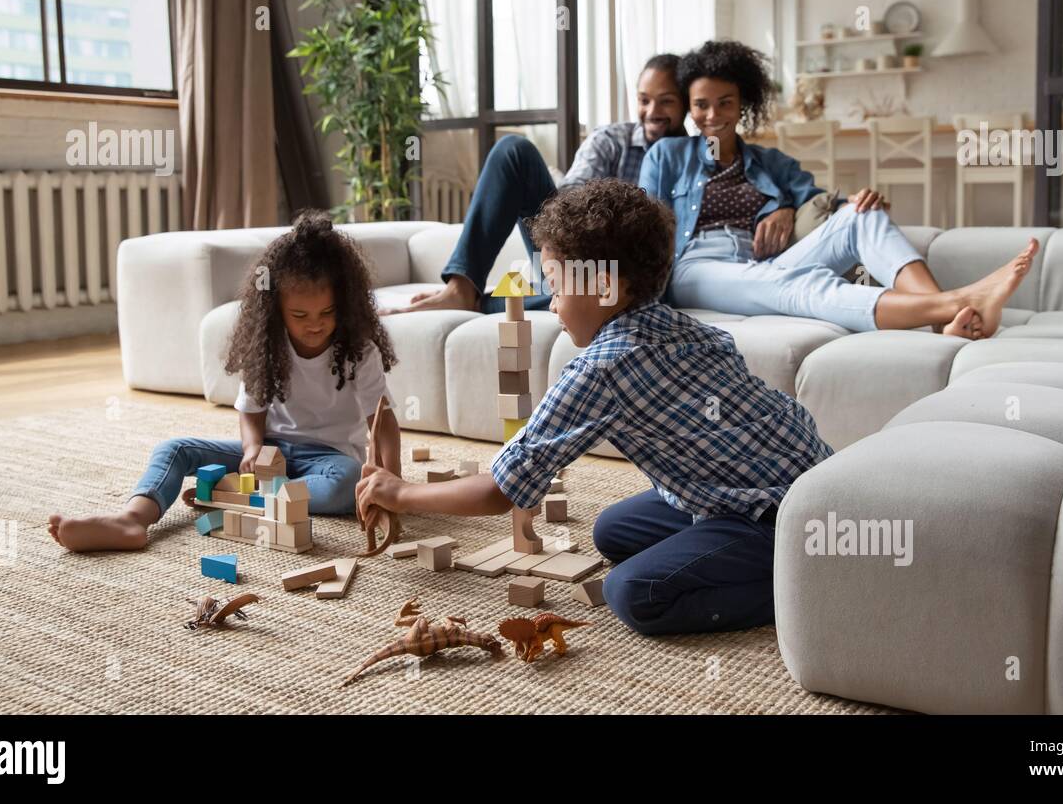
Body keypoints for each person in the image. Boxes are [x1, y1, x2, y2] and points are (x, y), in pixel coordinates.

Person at [355, 179, 833, 635]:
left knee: (634, 594)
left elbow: (503, 491)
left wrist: (400, 495)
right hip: (787, 476)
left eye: (558, 288)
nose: (552, 306)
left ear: (608, 288)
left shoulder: (602, 369)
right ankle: (745, 549)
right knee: (612, 531)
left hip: (782, 515)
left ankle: (800, 582)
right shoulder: (679, 325)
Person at [48, 212, 402, 552]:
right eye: (299, 315)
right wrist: (251, 449)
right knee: (174, 450)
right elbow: (251, 412)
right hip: (268, 451)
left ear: (346, 304)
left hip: (328, 460)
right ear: (275, 309)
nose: (315, 324)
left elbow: (382, 420)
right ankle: (132, 519)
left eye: (327, 312)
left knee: (347, 482)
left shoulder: (359, 352)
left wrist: (393, 482)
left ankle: (231, 495)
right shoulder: (267, 345)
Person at [640, 41, 1038, 337]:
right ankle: (956, 303)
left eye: (725, 103)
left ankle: (942, 322)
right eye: (701, 105)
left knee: (861, 215)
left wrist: (828, 205)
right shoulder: (667, 156)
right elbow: (644, 231)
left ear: (743, 105)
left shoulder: (768, 162)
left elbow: (822, 202)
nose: (713, 115)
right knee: (798, 286)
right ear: (690, 108)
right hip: (697, 268)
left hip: (759, 265)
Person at [391, 54, 687, 315]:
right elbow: (568, 204)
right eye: (644, 100)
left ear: (685, 103)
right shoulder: (611, 141)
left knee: (630, 297)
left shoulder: (697, 157)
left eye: (666, 101)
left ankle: (492, 303)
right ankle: (463, 287)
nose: (652, 111)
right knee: (513, 150)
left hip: (628, 280)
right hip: (572, 255)